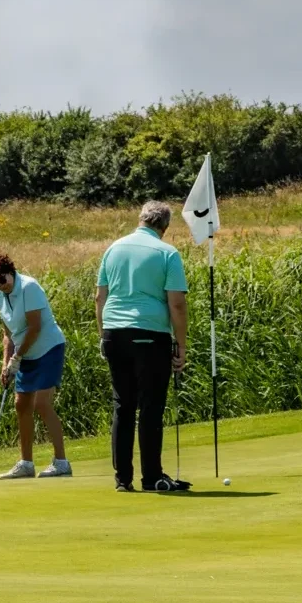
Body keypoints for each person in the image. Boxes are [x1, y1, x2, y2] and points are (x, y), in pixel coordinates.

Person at [96, 202, 191, 492]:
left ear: (141, 219)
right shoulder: (166, 252)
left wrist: (103, 336)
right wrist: (182, 346)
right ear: (165, 226)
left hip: (114, 332)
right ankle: (152, 477)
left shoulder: (114, 248)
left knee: (123, 407)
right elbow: (176, 303)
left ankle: (122, 479)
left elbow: (100, 297)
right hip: (149, 334)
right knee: (150, 407)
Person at [0, 252, 70, 479]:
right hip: (24, 353)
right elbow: (8, 334)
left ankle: (62, 462)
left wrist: (17, 358)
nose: (1, 285)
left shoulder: (29, 287)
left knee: (42, 403)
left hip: (48, 348)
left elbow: (35, 327)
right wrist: (6, 362)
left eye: (2, 279)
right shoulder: (0, 295)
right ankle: (26, 463)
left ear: (9, 271)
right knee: (21, 404)